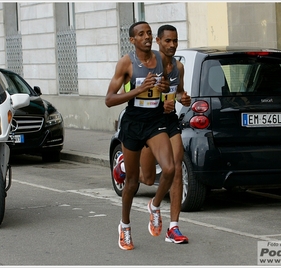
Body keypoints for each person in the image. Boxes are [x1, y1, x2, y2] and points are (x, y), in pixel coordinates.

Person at [113, 25, 192, 244]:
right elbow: (114, 96)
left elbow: (173, 92)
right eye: (167, 41)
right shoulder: (133, 62)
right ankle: (125, 221)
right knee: (145, 179)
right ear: (159, 41)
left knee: (173, 168)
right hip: (138, 120)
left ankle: (171, 225)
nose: (172, 45)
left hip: (164, 121)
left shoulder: (175, 66)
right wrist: (142, 91)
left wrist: (179, 98)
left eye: (175, 41)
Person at [105, 21, 175, 250]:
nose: (146, 36)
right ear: (132, 40)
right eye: (141, 34)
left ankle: (154, 206)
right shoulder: (126, 63)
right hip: (133, 123)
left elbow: (164, 88)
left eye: (148, 33)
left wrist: (164, 91)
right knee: (132, 183)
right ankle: (124, 226)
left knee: (170, 169)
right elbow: (109, 99)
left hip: (154, 121)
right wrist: (138, 89)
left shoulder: (161, 58)